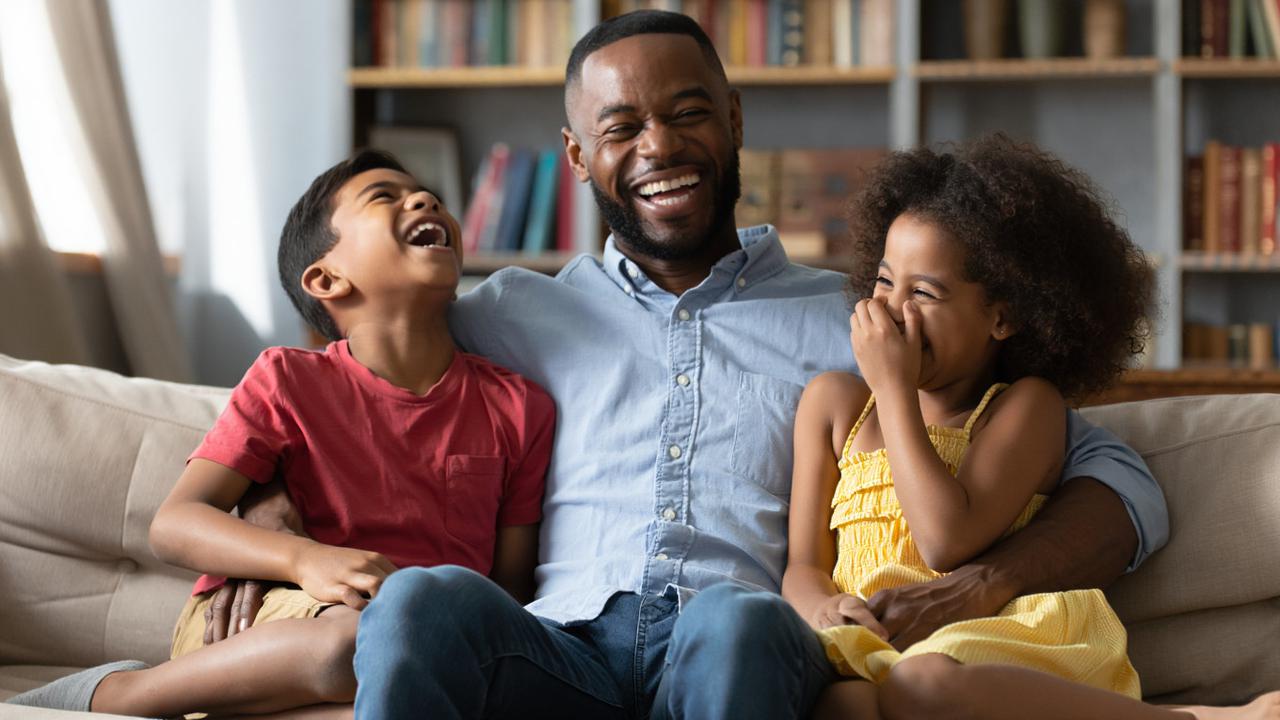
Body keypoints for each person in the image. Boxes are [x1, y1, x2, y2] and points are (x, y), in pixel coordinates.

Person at [213, 11, 1168, 719]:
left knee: (735, 619)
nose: (659, 146)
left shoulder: (861, 320)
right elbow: (349, 380)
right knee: (423, 600)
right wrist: (268, 500)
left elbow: (1118, 477)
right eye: (621, 127)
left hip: (742, 648)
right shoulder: (504, 313)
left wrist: (986, 582)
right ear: (576, 155)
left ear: (735, 120)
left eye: (687, 113)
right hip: (558, 651)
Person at [5, 150, 554, 719]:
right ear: (326, 278)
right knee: (359, 642)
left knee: (405, 677)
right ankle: (118, 694)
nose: (425, 200)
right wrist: (303, 560)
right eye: (383, 197)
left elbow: (510, 587)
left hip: (417, 656)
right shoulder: (288, 379)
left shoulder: (520, 406)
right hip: (283, 623)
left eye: (428, 195)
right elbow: (175, 523)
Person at [784, 136, 1280, 720]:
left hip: (991, 640)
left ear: (1003, 317)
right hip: (873, 642)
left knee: (921, 684)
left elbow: (944, 541)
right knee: (841, 705)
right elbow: (804, 564)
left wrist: (894, 389)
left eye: (924, 293)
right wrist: (821, 609)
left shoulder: (1023, 409)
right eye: (885, 281)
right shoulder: (833, 405)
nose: (893, 310)